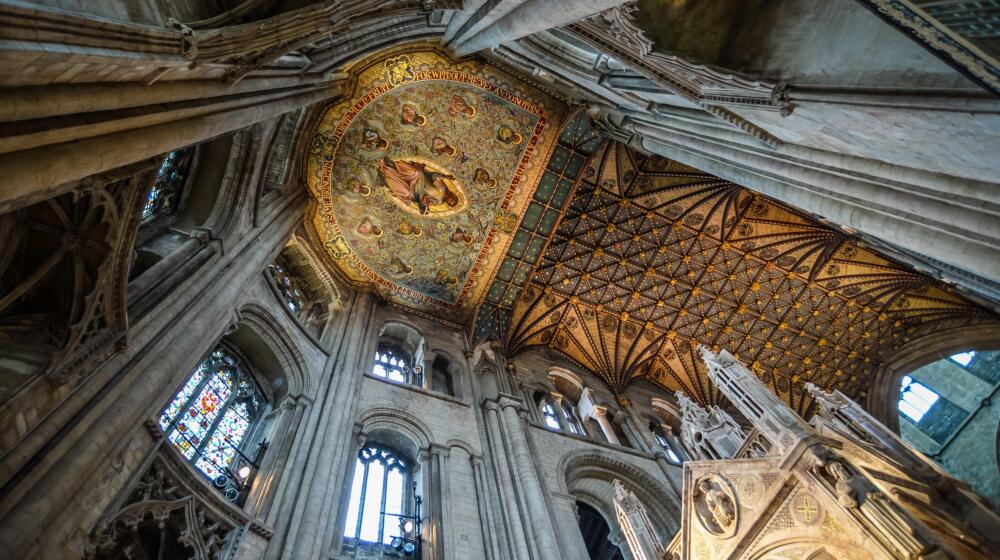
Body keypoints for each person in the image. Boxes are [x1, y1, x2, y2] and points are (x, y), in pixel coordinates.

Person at [378, 157, 459, 214]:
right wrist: (444, 176)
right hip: (420, 179)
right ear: (453, 196)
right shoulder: (443, 188)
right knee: (416, 172)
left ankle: (387, 175)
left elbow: (425, 203)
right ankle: (394, 165)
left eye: (450, 204)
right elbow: (434, 177)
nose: (450, 201)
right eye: (453, 200)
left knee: (406, 193)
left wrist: (423, 205)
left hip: (416, 193)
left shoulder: (438, 202)